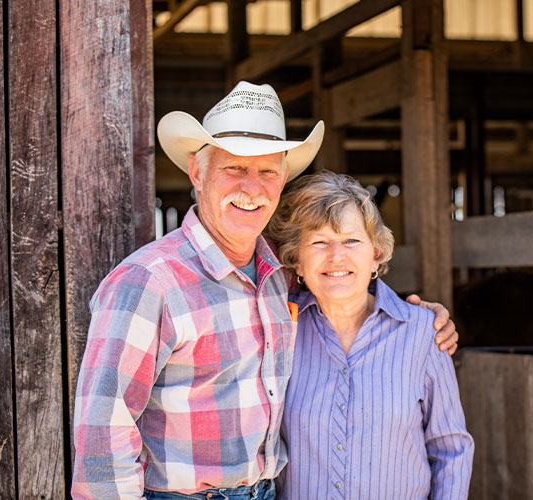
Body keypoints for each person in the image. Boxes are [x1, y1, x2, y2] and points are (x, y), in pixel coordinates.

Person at [71, 81, 458, 500]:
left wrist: (413, 316)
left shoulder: (279, 276)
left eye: (267, 171)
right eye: (235, 167)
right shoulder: (149, 281)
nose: (252, 188)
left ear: (283, 177)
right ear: (197, 172)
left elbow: (340, 278)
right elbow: (102, 435)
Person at [267, 171, 474, 499]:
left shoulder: (422, 333)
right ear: (297, 260)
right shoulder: (278, 330)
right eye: (319, 242)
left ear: (376, 254)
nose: (337, 256)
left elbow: (451, 450)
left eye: (352, 240)